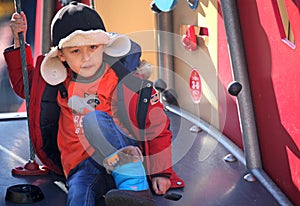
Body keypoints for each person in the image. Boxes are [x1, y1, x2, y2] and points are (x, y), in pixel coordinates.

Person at [4, 2, 184, 206]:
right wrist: (19, 43)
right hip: (81, 166)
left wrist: (162, 172)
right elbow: (25, 87)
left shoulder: (123, 80)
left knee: (94, 120)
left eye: (93, 47)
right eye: (75, 51)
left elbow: (156, 125)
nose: (86, 58)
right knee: (79, 196)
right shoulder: (57, 81)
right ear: (61, 56)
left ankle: (135, 188)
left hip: (122, 156)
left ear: (104, 46)